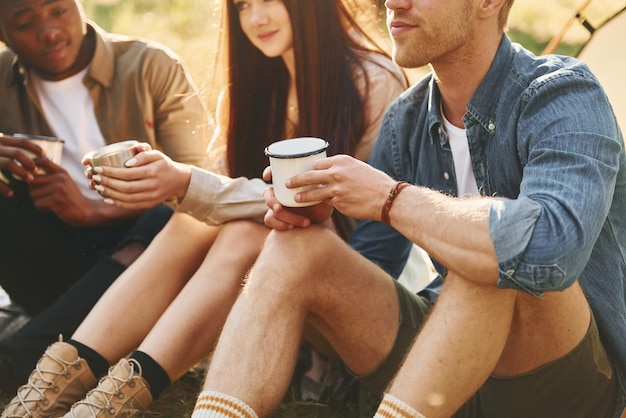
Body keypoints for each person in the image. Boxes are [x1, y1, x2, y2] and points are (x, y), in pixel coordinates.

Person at [190, 0, 626, 417]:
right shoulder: (407, 119)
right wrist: (320, 227)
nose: (393, 3)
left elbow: (550, 248)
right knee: (298, 248)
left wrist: (390, 198)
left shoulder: (563, 95)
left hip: (567, 382)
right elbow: (373, 266)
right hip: (444, 371)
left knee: (488, 254)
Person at [0, 0, 408, 416]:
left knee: (242, 230)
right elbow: (214, 196)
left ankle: (104, 406)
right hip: (261, 291)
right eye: (244, 6)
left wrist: (184, 182)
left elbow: (357, 220)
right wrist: (174, 185)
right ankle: (48, 394)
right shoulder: (248, 88)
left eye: (270, 1)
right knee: (190, 220)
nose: (256, 19)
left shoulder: (372, 82)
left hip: (351, 292)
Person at [0, 0, 208, 397]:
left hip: (152, 268)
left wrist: (92, 211)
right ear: (2, 34)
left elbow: (204, 190)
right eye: (26, 23)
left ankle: (14, 363)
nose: (49, 31)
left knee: (175, 215)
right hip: (57, 268)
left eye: (59, 10)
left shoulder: (151, 66)